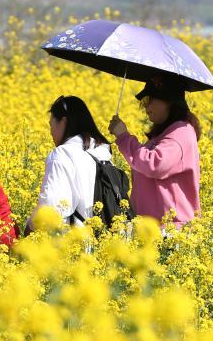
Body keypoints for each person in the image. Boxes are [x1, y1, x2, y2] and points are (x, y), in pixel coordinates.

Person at [107, 75, 202, 228]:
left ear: (168, 101)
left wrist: (124, 137)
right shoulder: (163, 134)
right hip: (151, 228)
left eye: (150, 100)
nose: (145, 107)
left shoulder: (181, 132)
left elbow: (154, 164)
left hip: (171, 230)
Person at [26, 95, 114, 232]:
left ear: (63, 122)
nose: (50, 132)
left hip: (73, 244)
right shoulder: (103, 153)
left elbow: (50, 207)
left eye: (51, 125)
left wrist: (29, 228)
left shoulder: (62, 154)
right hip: (106, 244)